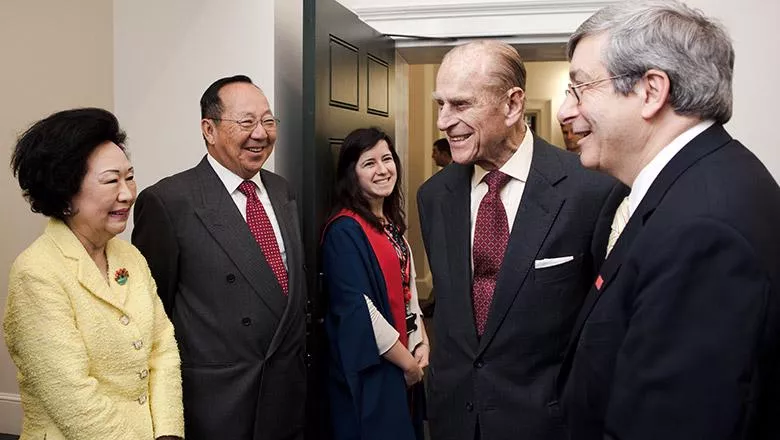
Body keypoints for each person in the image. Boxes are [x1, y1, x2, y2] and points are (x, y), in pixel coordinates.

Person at [554, 1, 780, 439]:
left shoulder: (704, 229)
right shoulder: (690, 182)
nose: (566, 111)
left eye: (580, 88)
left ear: (651, 91)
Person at [417, 40, 624, 440]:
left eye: (460, 105)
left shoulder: (591, 191)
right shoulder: (434, 197)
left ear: (512, 105)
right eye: (440, 104)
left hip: (548, 422)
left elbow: (607, 326)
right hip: (454, 421)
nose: (443, 121)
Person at [132, 75, 307, 440]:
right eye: (246, 122)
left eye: (268, 121)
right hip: (219, 402)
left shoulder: (280, 189)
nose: (261, 133)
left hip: (285, 393)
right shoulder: (169, 202)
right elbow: (153, 313)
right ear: (208, 129)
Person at [4, 108, 183, 440]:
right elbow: (72, 397)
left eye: (129, 176)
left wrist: (169, 433)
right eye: (111, 180)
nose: (128, 193)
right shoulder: (37, 272)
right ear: (66, 194)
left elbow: (162, 349)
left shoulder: (129, 256)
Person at [321, 127, 430, 440]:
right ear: (351, 174)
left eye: (387, 159)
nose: (383, 169)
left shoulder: (390, 224)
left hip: (404, 355)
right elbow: (360, 310)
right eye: (369, 163)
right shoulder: (344, 231)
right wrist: (407, 364)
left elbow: (407, 287)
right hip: (376, 367)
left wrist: (422, 338)